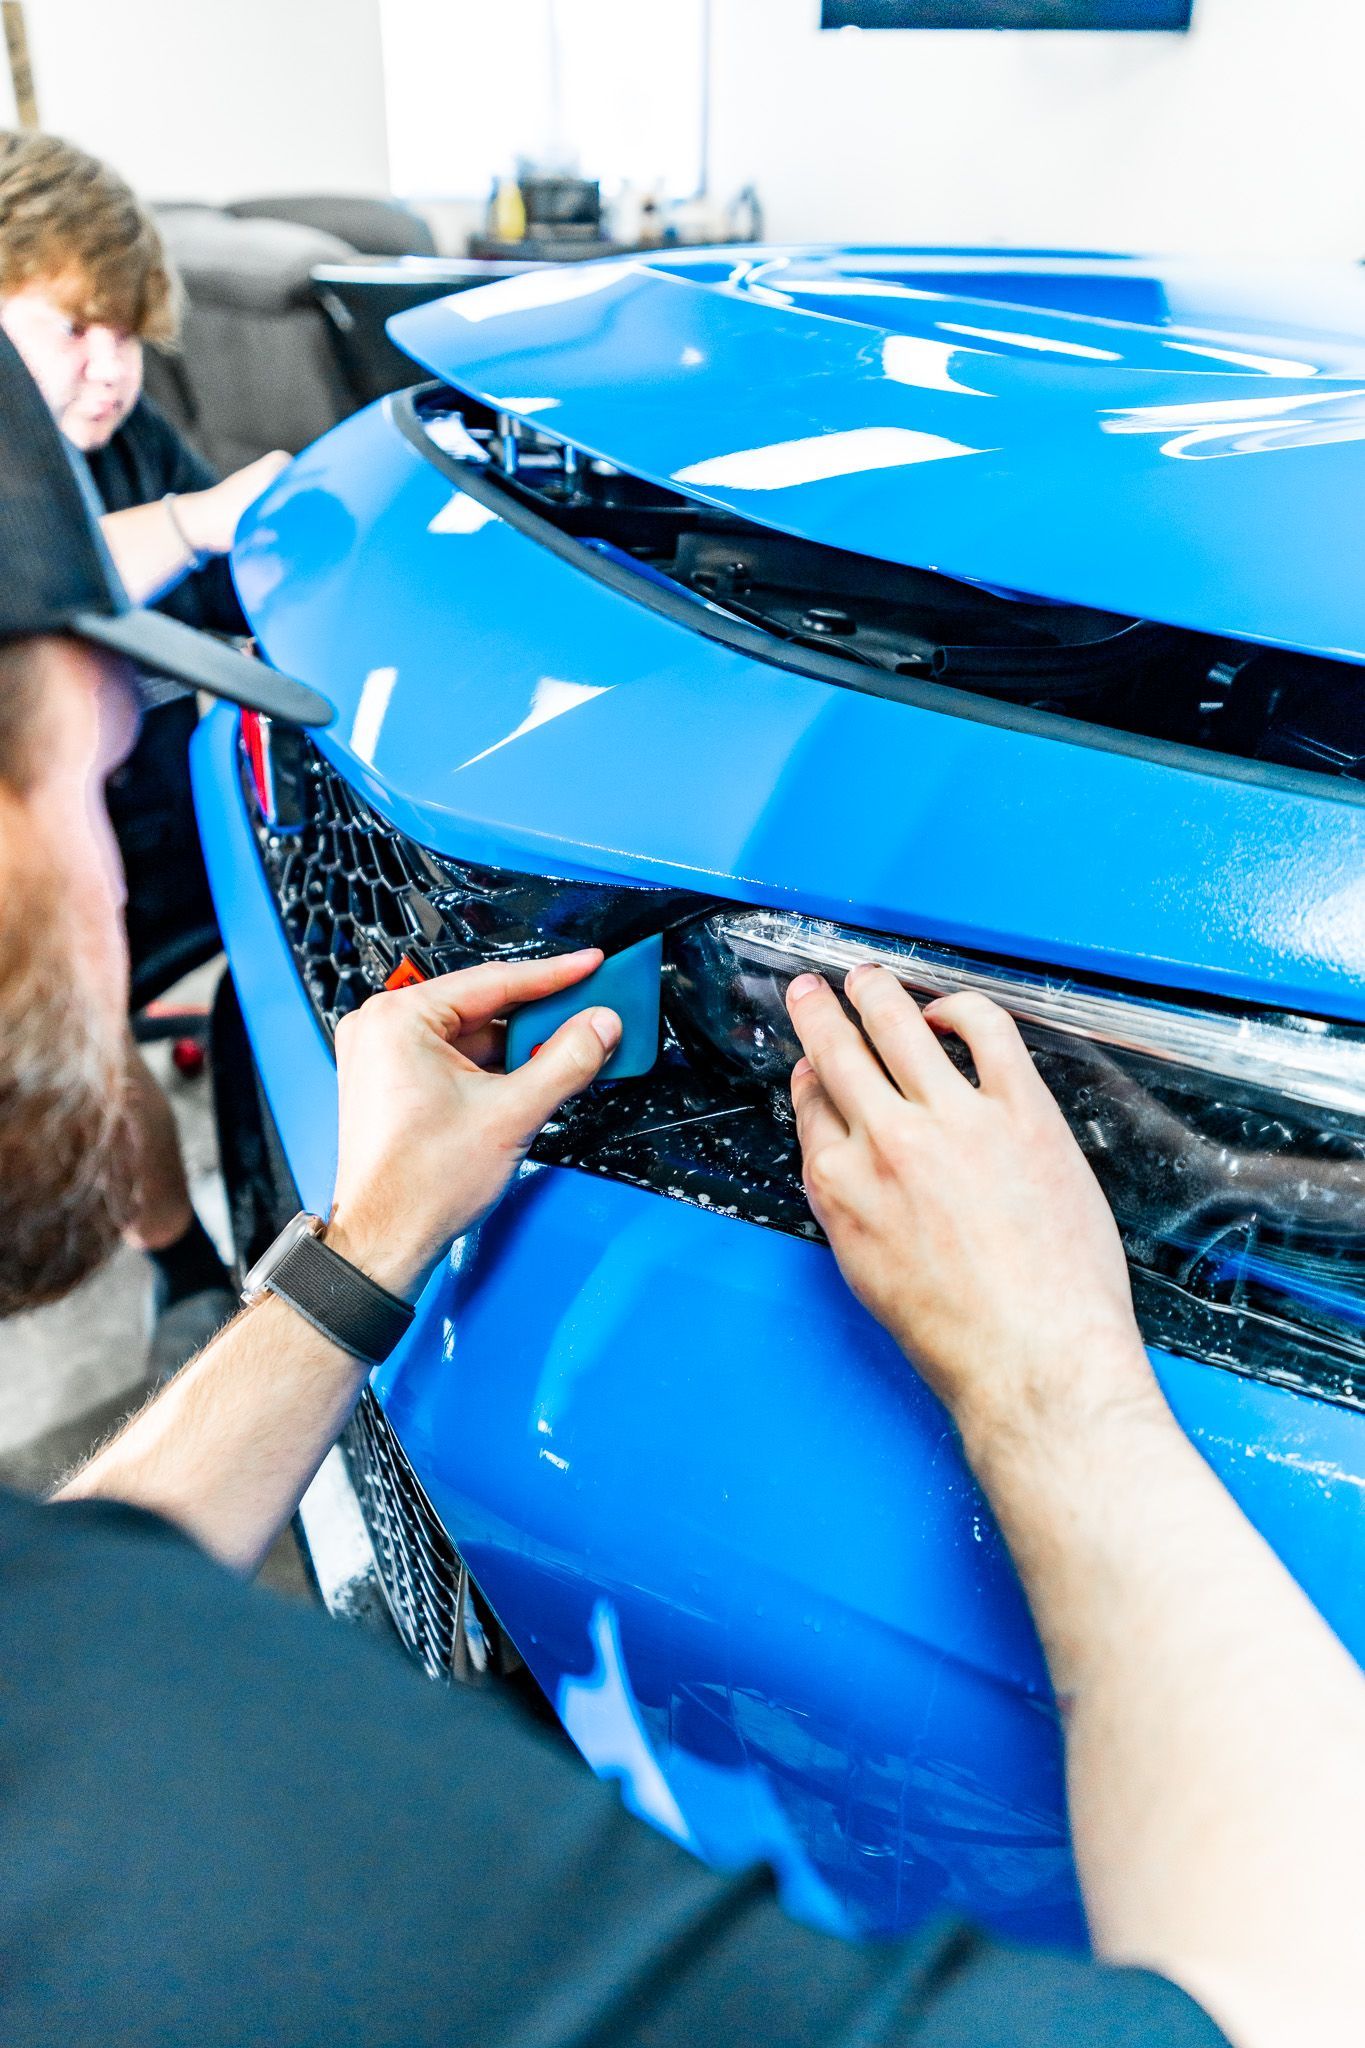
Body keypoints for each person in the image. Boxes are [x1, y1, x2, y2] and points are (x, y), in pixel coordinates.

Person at [0, 336, 1361, 2048]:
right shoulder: (259, 1882)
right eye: (86, 763)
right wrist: (1056, 1376)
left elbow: (61, 1621)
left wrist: (361, 1253)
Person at [0, 129, 291, 1369]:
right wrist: (188, 523)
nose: (109, 369)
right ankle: (182, 1260)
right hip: (53, 840)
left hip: (160, 794)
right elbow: (70, 587)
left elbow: (232, 596)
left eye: (128, 335)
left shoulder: (129, 434)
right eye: (74, 329)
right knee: (82, 1009)